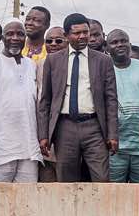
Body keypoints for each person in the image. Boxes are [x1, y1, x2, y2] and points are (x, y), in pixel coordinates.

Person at [38, 14, 118, 182]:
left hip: (94, 127)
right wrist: (44, 135)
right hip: (64, 127)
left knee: (101, 179)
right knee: (67, 181)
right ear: (66, 35)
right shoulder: (52, 61)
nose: (82, 36)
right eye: (76, 33)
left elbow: (111, 100)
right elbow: (45, 101)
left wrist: (112, 134)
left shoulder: (103, 61)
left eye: (85, 32)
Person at [0, 20, 42, 182]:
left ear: (25, 38)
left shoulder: (32, 65)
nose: (15, 38)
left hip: (29, 144)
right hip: (2, 145)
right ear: (2, 38)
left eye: (20, 34)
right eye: (10, 34)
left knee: (28, 194)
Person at [107, 29, 139, 183]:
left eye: (124, 41)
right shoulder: (103, 70)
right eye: (114, 42)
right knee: (112, 194)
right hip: (114, 149)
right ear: (107, 48)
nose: (120, 44)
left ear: (129, 44)